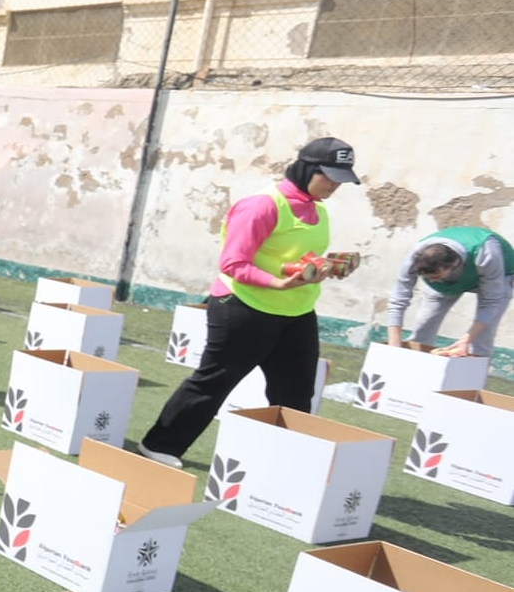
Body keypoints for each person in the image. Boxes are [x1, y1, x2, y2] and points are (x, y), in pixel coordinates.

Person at [135, 138, 361, 468]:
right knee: (214, 382)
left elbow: (293, 256)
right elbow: (233, 263)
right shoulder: (262, 206)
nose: (335, 185)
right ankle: (158, 445)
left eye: (341, 179)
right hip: (243, 307)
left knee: (296, 394)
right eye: (329, 176)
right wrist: (277, 282)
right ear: (306, 170)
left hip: (296, 312)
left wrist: (325, 266)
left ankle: (283, 464)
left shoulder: (318, 208)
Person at [384, 227, 511, 359]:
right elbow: (398, 299)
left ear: (454, 264)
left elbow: (491, 302)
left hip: (498, 277)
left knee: (482, 338)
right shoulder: (415, 257)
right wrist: (394, 345)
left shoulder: (486, 253)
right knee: (423, 326)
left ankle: (474, 374)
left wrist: (466, 339)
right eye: (428, 278)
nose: (432, 281)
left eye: (436, 277)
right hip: (450, 281)